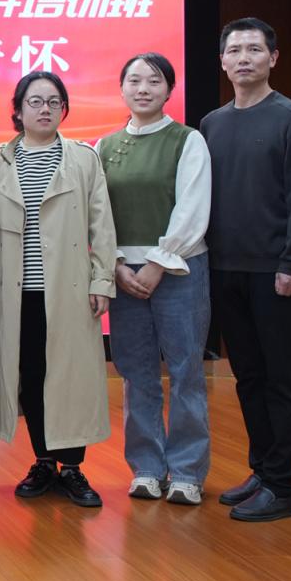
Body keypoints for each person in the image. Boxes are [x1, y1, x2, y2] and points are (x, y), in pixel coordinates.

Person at [200, 18, 291, 522]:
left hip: (276, 272)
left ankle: (283, 486)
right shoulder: (211, 123)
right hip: (224, 269)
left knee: (282, 377)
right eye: (235, 50)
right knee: (248, 376)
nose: (244, 58)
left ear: (273, 58)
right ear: (222, 62)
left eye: (254, 49)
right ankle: (263, 469)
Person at [0, 71, 116, 508]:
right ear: (18, 109)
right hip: (17, 291)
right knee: (31, 374)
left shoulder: (83, 158)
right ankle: (43, 460)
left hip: (70, 287)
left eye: (54, 102)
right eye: (35, 101)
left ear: (64, 109)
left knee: (70, 376)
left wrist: (102, 279)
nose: (45, 109)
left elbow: (102, 223)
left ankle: (72, 467)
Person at [98, 53, 212, 506]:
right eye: (134, 80)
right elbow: (97, 214)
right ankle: (146, 467)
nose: (143, 88)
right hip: (124, 275)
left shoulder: (188, 140)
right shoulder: (104, 146)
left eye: (154, 80)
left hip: (179, 271)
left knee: (185, 372)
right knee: (136, 373)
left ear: (169, 89)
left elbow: (192, 208)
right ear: (122, 88)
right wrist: (115, 265)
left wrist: (159, 262)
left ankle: (186, 471)